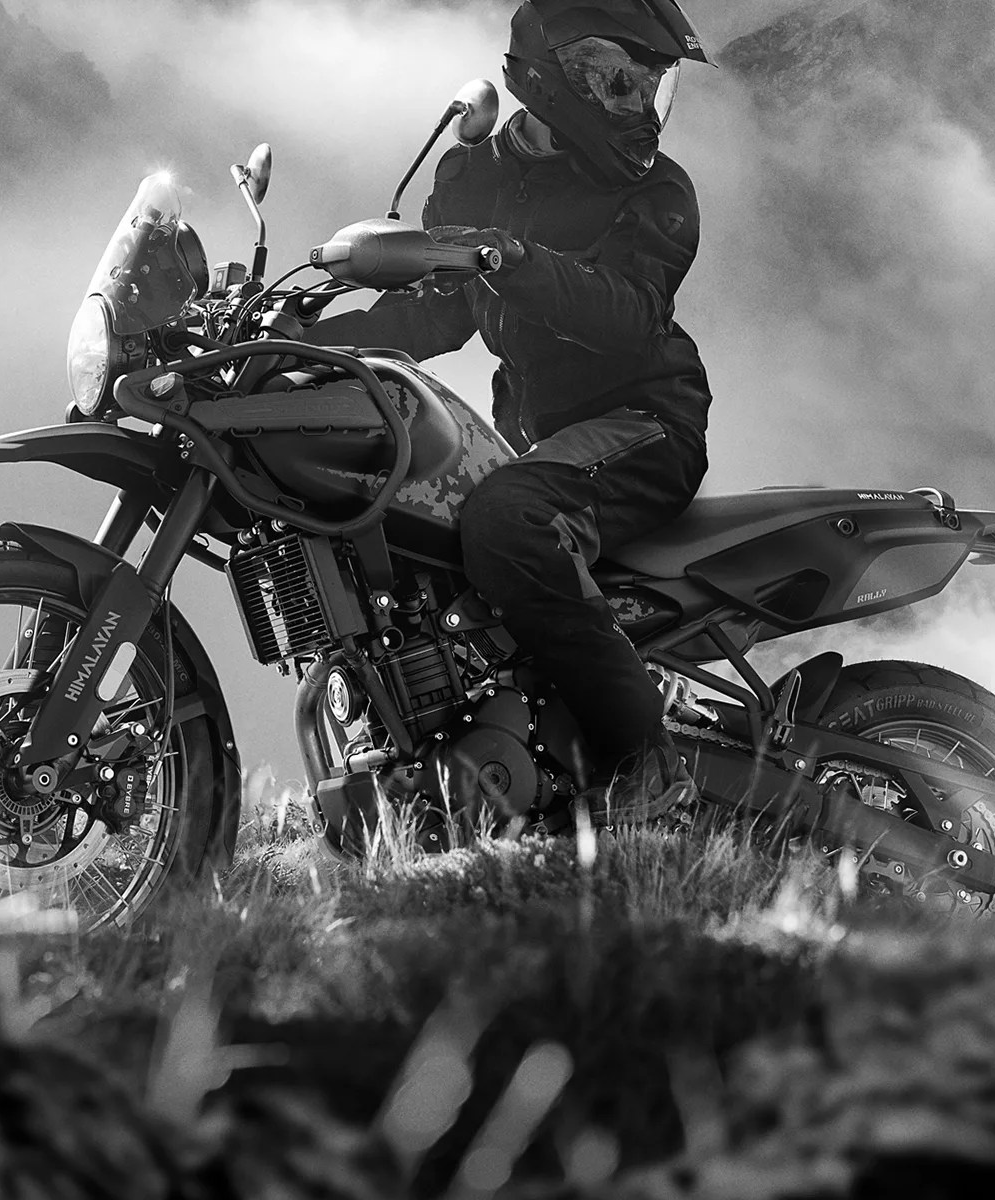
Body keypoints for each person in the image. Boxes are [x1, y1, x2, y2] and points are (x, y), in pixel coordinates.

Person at [310, 0, 714, 821]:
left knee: (505, 520)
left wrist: (512, 257)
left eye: (652, 86)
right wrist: (310, 342)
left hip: (644, 423)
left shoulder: (661, 191)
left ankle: (648, 761)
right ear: (554, 75)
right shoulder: (474, 175)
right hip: (538, 436)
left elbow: (630, 312)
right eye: (621, 82)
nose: (642, 107)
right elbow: (434, 314)